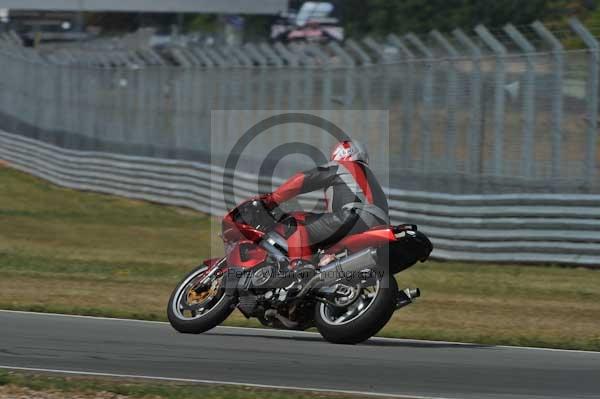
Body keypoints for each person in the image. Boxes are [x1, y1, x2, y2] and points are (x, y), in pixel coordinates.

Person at [261, 140, 389, 261]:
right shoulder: (370, 176)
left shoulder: (342, 166)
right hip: (382, 222)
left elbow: (306, 178)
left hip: (354, 217)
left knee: (294, 221)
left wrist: (272, 199)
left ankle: (300, 267)